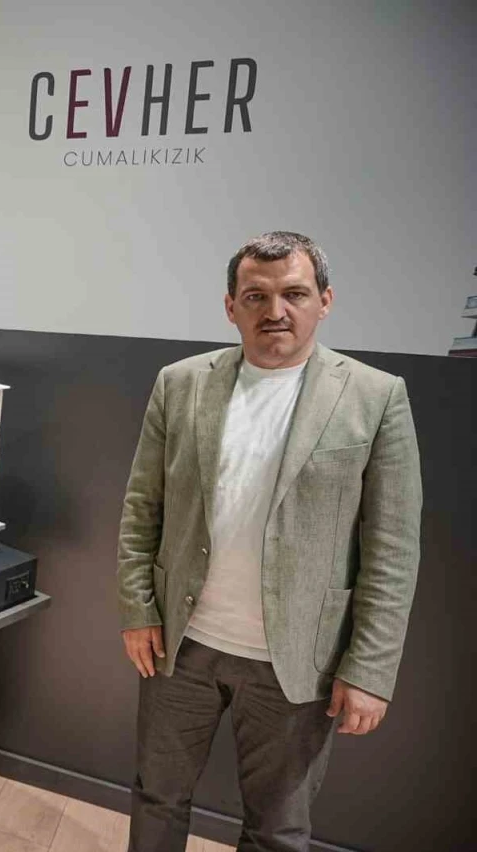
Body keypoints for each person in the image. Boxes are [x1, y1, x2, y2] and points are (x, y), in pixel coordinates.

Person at [116, 231, 422, 852]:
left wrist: (370, 668)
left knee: (277, 829)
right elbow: (142, 505)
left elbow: (393, 547)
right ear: (231, 305)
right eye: (255, 295)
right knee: (157, 798)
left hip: (299, 662)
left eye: (295, 294)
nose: (275, 311)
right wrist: (137, 607)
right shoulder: (180, 383)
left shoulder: (375, 396)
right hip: (182, 645)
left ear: (324, 301)